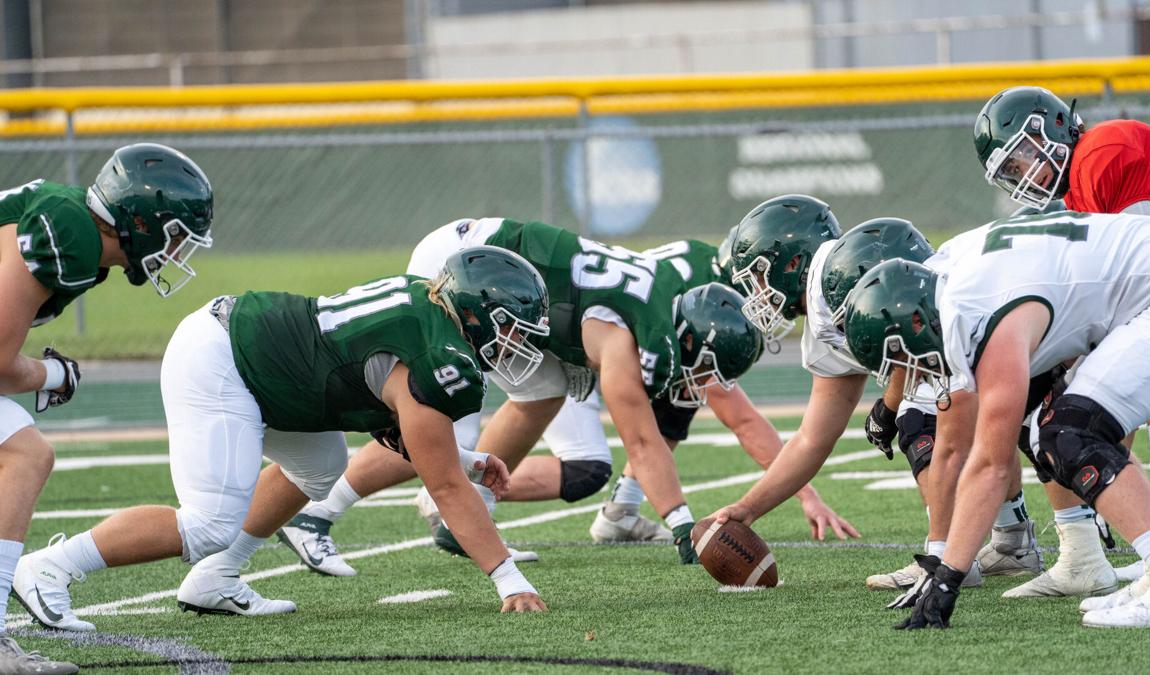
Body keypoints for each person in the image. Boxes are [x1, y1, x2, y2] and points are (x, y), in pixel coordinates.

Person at [14, 245, 552, 631]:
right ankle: (50, 568)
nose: (516, 343)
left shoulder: (427, 313)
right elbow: (447, 487)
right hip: (224, 359)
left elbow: (411, 432)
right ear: (479, 312)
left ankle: (215, 580)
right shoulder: (438, 358)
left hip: (254, 358)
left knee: (321, 464)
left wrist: (467, 457)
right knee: (207, 522)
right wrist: (509, 579)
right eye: (512, 327)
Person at [279, 217, 762, 573]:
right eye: (704, 369)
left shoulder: (659, 306)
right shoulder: (621, 339)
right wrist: (681, 521)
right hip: (466, 265)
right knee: (433, 410)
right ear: (690, 339)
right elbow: (640, 441)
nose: (701, 386)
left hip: (509, 280)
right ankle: (315, 513)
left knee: (544, 392)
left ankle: (466, 518)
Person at [843, 209, 1150, 628]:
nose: (914, 375)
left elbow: (990, 466)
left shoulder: (979, 315)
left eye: (903, 358)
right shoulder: (958, 273)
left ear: (917, 320)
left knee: (1069, 432)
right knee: (1047, 430)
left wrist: (947, 577)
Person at [708, 216, 1041, 594]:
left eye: (760, 275)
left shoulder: (836, 285)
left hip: (1000, 314)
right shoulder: (826, 297)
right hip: (996, 323)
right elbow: (812, 439)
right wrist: (750, 508)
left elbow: (913, 337)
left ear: (790, 264)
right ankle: (1012, 541)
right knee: (944, 412)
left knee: (921, 418)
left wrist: (891, 406)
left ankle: (945, 556)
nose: (758, 292)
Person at [975, 85, 1150, 593]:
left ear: (1052, 128)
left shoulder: (1104, 153)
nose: (1022, 178)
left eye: (1021, 160)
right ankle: (1132, 551)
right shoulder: (1077, 190)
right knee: (1084, 400)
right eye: (1010, 174)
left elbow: (1144, 281)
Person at [0, 143, 212, 674]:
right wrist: (54, 373)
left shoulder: (83, 243)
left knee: (25, 453)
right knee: (25, 457)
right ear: (139, 222)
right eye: (176, 235)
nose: (178, 252)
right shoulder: (67, 233)